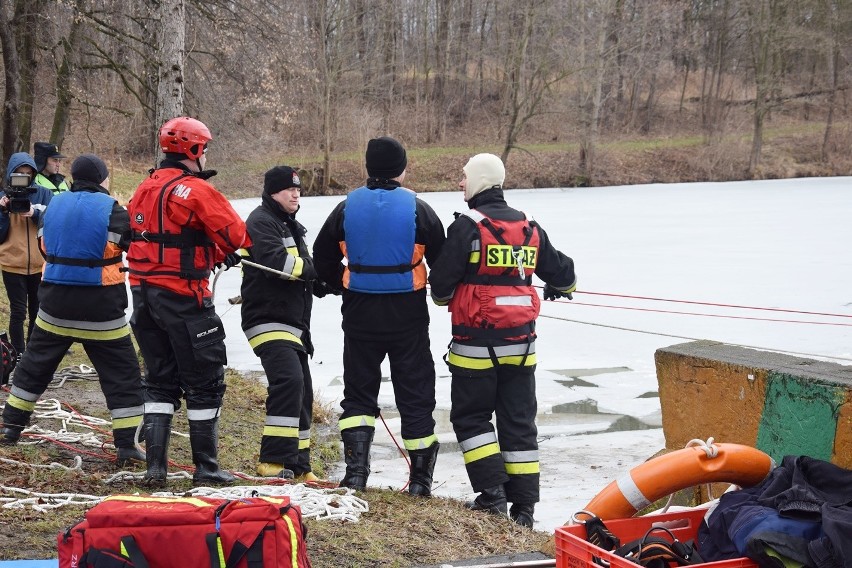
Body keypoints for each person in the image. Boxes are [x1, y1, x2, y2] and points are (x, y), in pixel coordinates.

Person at [427, 153, 576, 528]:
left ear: (479, 180)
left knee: (471, 418)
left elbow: (441, 290)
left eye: (463, 177)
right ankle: (524, 511)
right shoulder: (529, 227)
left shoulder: (466, 227)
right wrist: (560, 286)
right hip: (522, 349)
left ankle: (492, 496)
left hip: (475, 349)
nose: (460, 183)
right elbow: (565, 274)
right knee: (519, 424)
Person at [313, 136, 446, 496]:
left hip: (359, 313)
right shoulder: (419, 209)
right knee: (416, 393)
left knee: (358, 393)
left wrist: (339, 283)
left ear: (368, 168)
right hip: (408, 315)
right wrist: (446, 292)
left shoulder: (345, 208)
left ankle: (356, 476)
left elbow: (321, 254)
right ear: (402, 169)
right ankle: (420, 482)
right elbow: (444, 260)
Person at [126, 116, 249, 486]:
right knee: (205, 381)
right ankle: (207, 469)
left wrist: (209, 251)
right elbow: (237, 234)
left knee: (160, 380)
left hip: (143, 297)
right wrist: (220, 248)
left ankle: (155, 469)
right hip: (183, 300)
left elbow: (165, 244)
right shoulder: (196, 190)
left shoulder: (143, 187)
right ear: (194, 150)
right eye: (204, 148)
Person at [0, 154, 145, 466]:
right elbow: (131, 245)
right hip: (102, 310)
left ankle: (11, 426)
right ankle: (127, 444)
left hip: (54, 306)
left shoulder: (53, 205)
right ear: (102, 179)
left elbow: (37, 230)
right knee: (124, 376)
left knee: (33, 368)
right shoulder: (114, 210)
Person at [241, 166, 336, 482]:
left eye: (298, 189)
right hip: (268, 319)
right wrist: (315, 270)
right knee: (289, 382)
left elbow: (304, 271)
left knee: (304, 391)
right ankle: (271, 461)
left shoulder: (291, 225)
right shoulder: (261, 222)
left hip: (294, 324)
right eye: (288, 190)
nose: (296, 194)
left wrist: (323, 283)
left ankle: (299, 464)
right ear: (272, 192)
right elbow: (280, 266)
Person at [0, 153, 53, 359]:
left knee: (37, 312)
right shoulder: (3, 196)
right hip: (12, 263)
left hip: (39, 264)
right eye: (19, 173)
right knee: (18, 312)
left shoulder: (44, 194)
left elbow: (53, 223)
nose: (23, 176)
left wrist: (35, 214)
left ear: (34, 174)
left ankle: (33, 353)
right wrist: (3, 211)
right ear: (11, 173)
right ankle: (18, 353)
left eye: (27, 173)